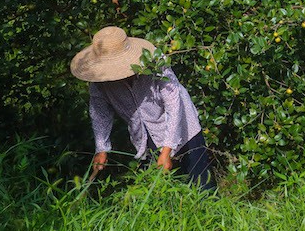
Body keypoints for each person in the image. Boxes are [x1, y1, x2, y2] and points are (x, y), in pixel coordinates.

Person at [70, 26, 215, 191]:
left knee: (202, 186)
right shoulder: (99, 81)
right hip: (146, 135)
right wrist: (102, 148)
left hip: (183, 127)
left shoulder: (155, 64)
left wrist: (166, 150)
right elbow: (100, 114)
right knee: (160, 191)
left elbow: (174, 105)